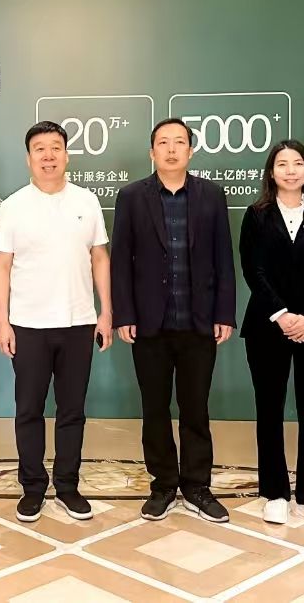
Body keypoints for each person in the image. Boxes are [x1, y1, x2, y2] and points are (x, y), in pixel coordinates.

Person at [110, 118, 236, 523]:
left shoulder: (211, 195)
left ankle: (197, 486)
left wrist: (224, 313)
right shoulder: (132, 197)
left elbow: (223, 258)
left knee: (196, 407)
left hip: (199, 322)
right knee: (155, 408)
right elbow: (120, 261)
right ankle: (163, 484)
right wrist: (125, 314)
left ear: (190, 150)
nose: (170, 149)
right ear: (152, 152)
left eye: (179, 142)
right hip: (150, 324)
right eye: (163, 143)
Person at [0, 120, 113, 523]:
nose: (48, 155)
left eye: (56, 147)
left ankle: (67, 486)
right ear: (29, 158)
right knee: (28, 409)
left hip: (79, 322)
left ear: (67, 155)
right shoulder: (13, 206)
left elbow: (100, 257)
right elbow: (2, 267)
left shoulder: (86, 201)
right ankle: (32, 488)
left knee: (72, 410)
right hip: (27, 325)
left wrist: (106, 311)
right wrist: (2, 321)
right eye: (40, 149)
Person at [239, 140, 304, 528]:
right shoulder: (257, 215)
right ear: (271, 172)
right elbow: (253, 270)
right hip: (268, 326)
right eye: (282, 164)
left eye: (297, 163)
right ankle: (274, 493)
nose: (289, 170)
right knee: (269, 410)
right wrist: (282, 314)